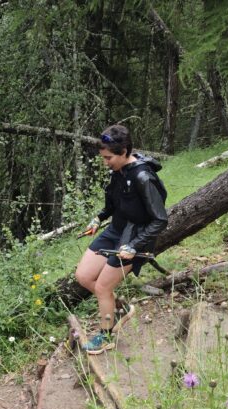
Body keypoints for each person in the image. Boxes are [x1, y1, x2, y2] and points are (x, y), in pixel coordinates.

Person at [75, 124, 168, 355]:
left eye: (108, 158)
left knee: (103, 287)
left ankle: (106, 337)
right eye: (103, 158)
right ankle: (120, 308)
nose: (106, 162)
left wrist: (134, 246)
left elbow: (160, 220)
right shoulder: (117, 172)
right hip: (115, 230)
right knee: (84, 276)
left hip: (135, 236)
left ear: (124, 151)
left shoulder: (143, 177)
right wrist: (98, 218)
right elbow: (112, 205)